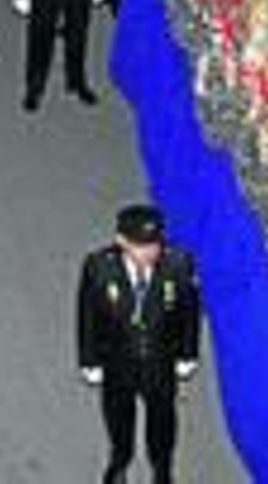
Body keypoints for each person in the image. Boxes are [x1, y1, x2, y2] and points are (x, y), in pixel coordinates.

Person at [76, 204, 202, 484]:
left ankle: (162, 470)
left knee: (162, 424)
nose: (150, 253)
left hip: (160, 364)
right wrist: (89, 360)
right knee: (119, 420)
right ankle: (120, 461)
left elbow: (190, 312)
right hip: (118, 363)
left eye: (154, 244)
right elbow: (87, 315)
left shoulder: (179, 264)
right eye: (140, 246)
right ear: (121, 242)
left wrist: (187, 354)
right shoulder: (99, 267)